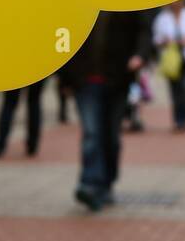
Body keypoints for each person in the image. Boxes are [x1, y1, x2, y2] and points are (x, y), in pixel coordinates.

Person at [62, 11, 152, 211]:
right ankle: (90, 183)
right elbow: (62, 31)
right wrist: (65, 78)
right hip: (84, 81)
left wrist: (139, 55)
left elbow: (144, 30)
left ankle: (107, 181)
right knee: (92, 133)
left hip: (117, 79)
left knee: (111, 136)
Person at [152, 0, 185, 131]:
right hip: (172, 59)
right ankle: (179, 119)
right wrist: (165, 41)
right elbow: (156, 38)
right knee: (175, 90)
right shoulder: (162, 18)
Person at [0, 78, 44, 157]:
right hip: (37, 69)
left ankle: (0, 145)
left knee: (9, 103)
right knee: (34, 103)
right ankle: (33, 145)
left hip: (15, 70)